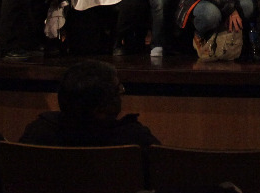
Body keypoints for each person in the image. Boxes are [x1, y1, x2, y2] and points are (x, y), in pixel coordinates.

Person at [20, 60, 159, 147]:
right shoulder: (134, 139)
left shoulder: (38, 133)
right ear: (100, 110)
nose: (121, 94)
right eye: (118, 89)